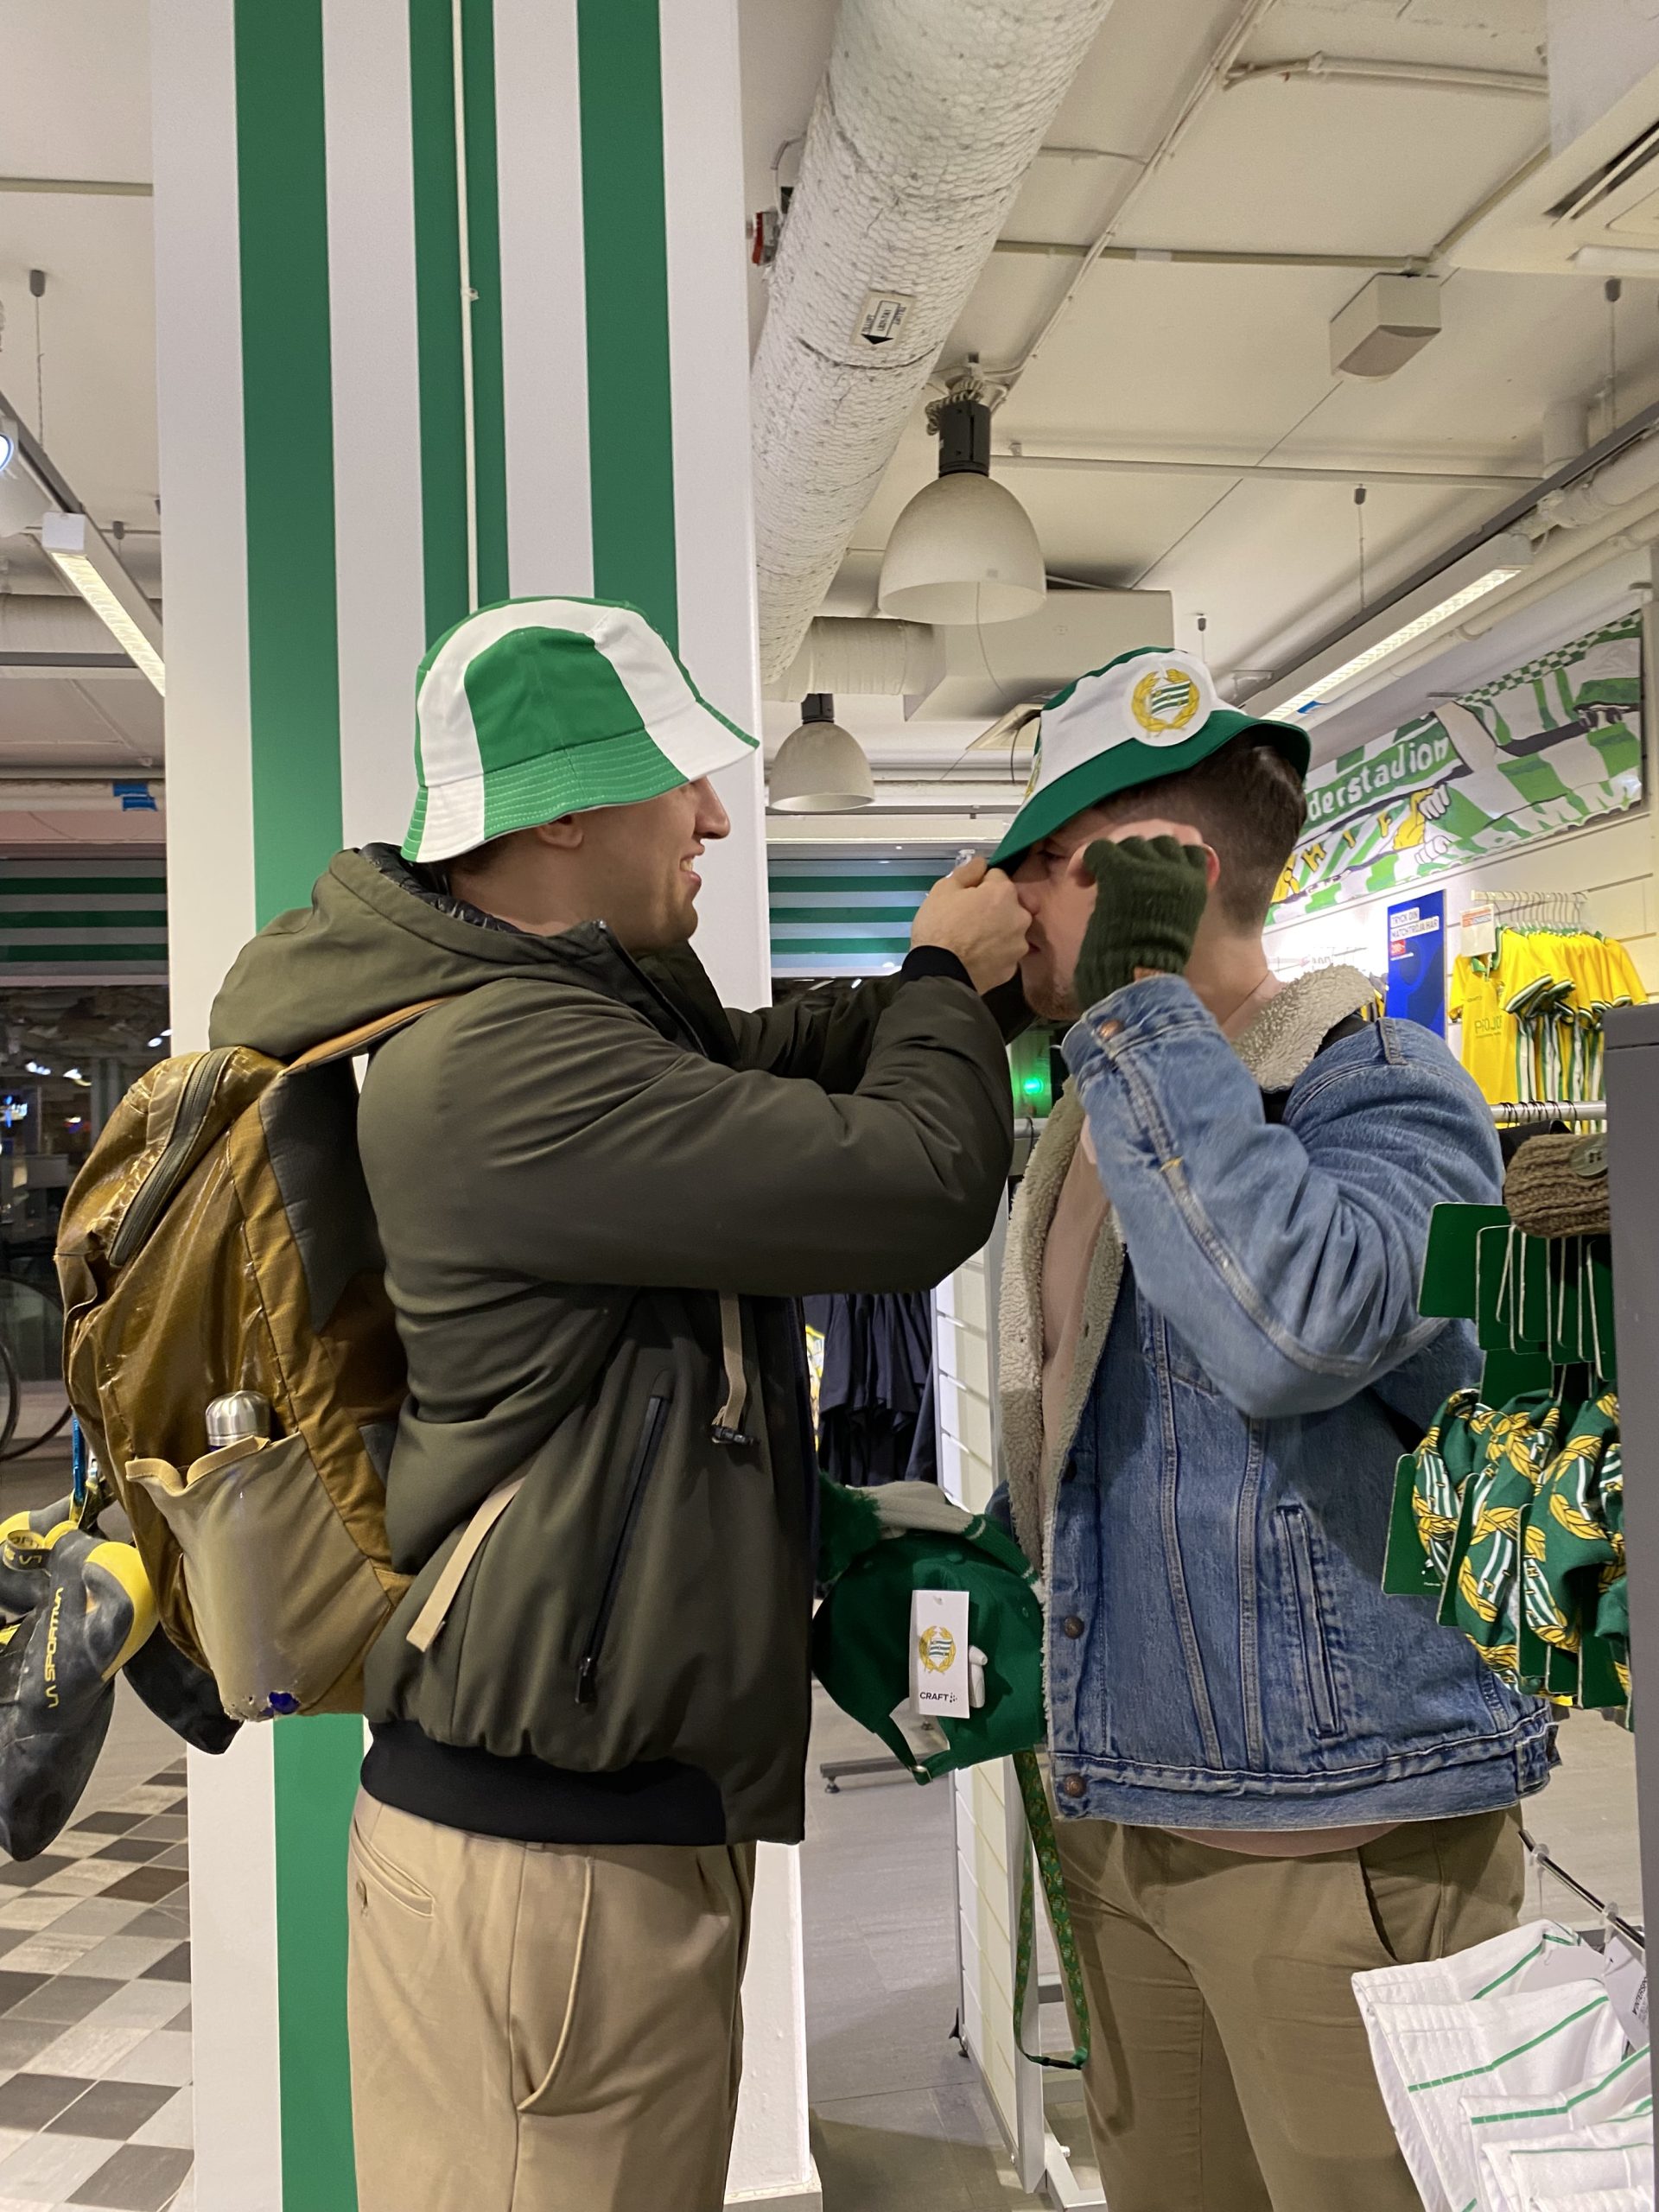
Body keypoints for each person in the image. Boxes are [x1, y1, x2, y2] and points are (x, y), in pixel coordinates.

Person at [208, 598, 1031, 2212]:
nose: (713, 816)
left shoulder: (558, 1013)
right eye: (680, 778)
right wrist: (945, 976)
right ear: (566, 810)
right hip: (553, 1873)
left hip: (586, 1839)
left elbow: (776, 1055)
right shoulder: (506, 1061)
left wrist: (968, 993)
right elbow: (917, 1182)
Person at [989, 646, 1549, 2212]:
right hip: (1131, 1821)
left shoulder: (1388, 1089)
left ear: (1142, 872)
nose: (1008, 898)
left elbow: (1291, 1328)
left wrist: (1140, 1005)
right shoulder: (1096, 1121)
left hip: (1342, 1840)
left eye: (1040, 862)